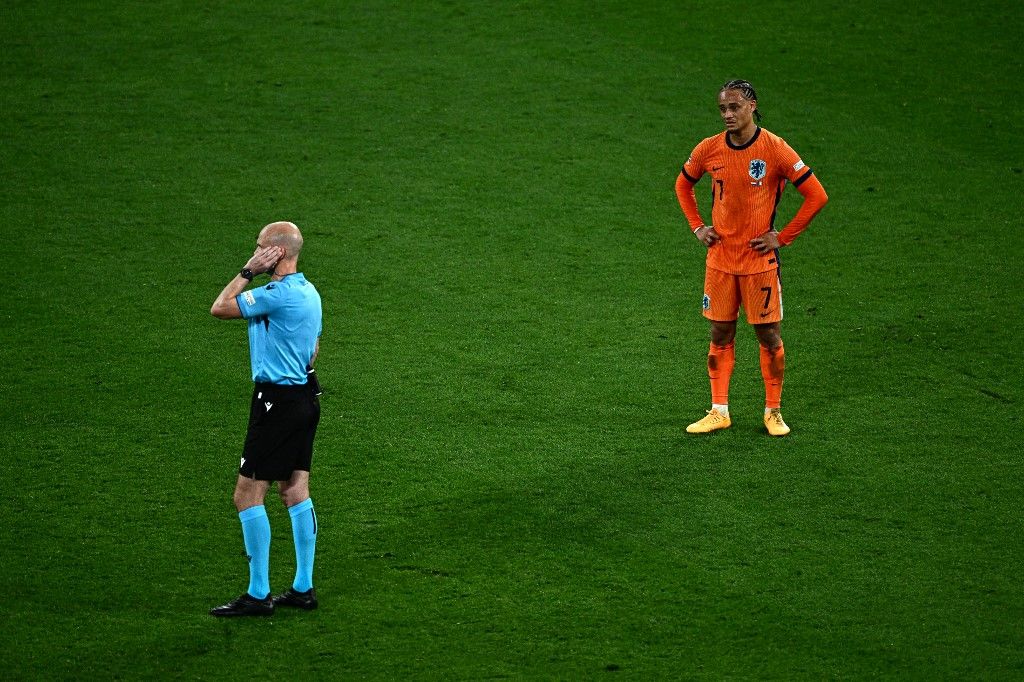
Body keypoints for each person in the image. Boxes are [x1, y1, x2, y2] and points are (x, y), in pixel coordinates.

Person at [675, 80, 828, 436]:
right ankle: (718, 410)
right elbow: (683, 184)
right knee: (719, 330)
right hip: (720, 261)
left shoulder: (775, 149)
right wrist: (698, 226)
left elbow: (816, 195)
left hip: (759, 262)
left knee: (768, 334)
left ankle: (773, 411)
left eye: (735, 107)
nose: (728, 115)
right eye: (722, 109)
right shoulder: (709, 148)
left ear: (752, 105)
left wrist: (783, 237)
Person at [208, 221, 324, 616]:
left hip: (277, 403)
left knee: (246, 495)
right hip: (307, 396)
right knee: (294, 490)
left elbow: (219, 308)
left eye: (260, 248)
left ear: (276, 252)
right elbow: (313, 351)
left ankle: (258, 595)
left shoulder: (275, 295)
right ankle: (303, 588)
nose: (256, 252)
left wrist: (246, 272)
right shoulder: (310, 292)